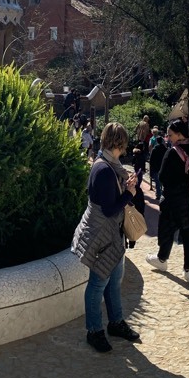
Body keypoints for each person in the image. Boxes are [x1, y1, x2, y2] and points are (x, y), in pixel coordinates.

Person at [71, 122, 141, 353]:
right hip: (103, 236)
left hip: (113, 236)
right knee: (98, 283)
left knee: (114, 280)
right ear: (119, 144)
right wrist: (129, 193)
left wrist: (126, 186)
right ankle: (94, 331)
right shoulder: (103, 170)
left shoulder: (111, 165)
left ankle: (116, 322)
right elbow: (110, 209)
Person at [145, 118, 189, 283]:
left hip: (173, 199)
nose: (168, 137)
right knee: (188, 234)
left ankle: (162, 259)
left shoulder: (173, 152)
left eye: (170, 134)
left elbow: (163, 176)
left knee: (167, 230)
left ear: (179, 135)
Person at [148, 127, 167, 200]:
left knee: (157, 182)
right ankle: (163, 194)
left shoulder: (154, 149)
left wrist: (151, 169)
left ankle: (158, 195)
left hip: (156, 167)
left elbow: (151, 160)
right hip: (163, 167)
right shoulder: (165, 149)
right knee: (162, 181)